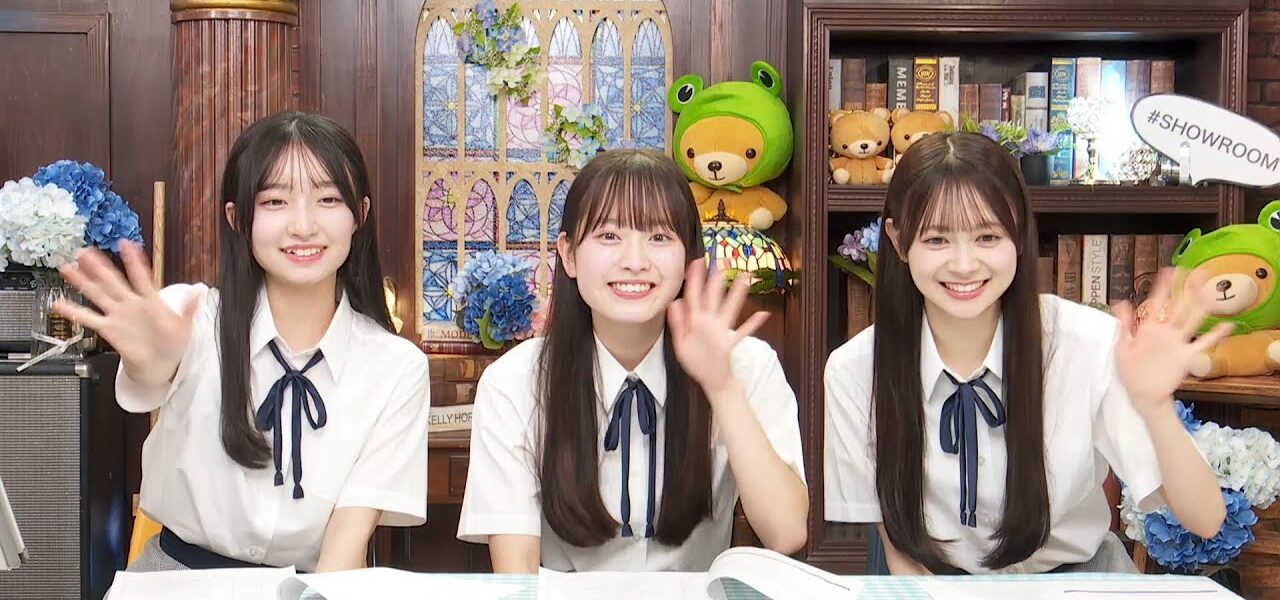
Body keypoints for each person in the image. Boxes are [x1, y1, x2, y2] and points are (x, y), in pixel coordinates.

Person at [824, 132, 1230, 575]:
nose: (964, 264)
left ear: (1018, 233)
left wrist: (1155, 407)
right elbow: (895, 543)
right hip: (932, 586)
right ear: (899, 241)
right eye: (937, 240)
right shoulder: (854, 370)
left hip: (1076, 580)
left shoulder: (1090, 344)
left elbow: (1206, 519)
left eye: (987, 236)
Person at [55, 112, 431, 573]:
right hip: (175, 581)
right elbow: (153, 368)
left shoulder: (396, 367)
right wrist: (151, 362)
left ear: (361, 214)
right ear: (236, 218)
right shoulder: (191, 317)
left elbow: (345, 545)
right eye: (275, 201)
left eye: (328, 199)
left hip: (309, 589)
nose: (303, 225)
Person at [456, 148, 809, 572]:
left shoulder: (748, 365)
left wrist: (722, 388)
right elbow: (517, 577)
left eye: (659, 237)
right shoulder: (514, 383)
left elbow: (787, 532)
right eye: (609, 236)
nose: (636, 262)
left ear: (689, 259)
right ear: (569, 254)